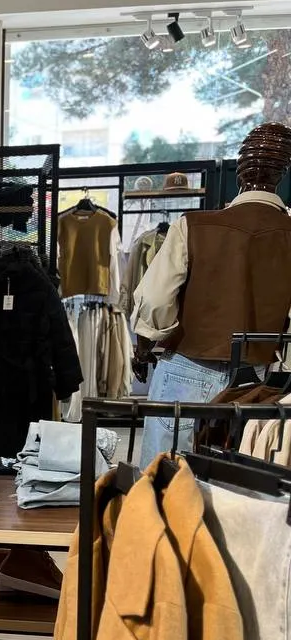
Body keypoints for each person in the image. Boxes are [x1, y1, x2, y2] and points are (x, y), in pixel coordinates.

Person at [131, 123, 291, 465]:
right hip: (256, 378)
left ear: (239, 175)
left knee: (162, 478)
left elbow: (156, 301)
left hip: (186, 366)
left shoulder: (193, 226)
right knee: (233, 480)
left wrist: (143, 348)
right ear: (282, 175)